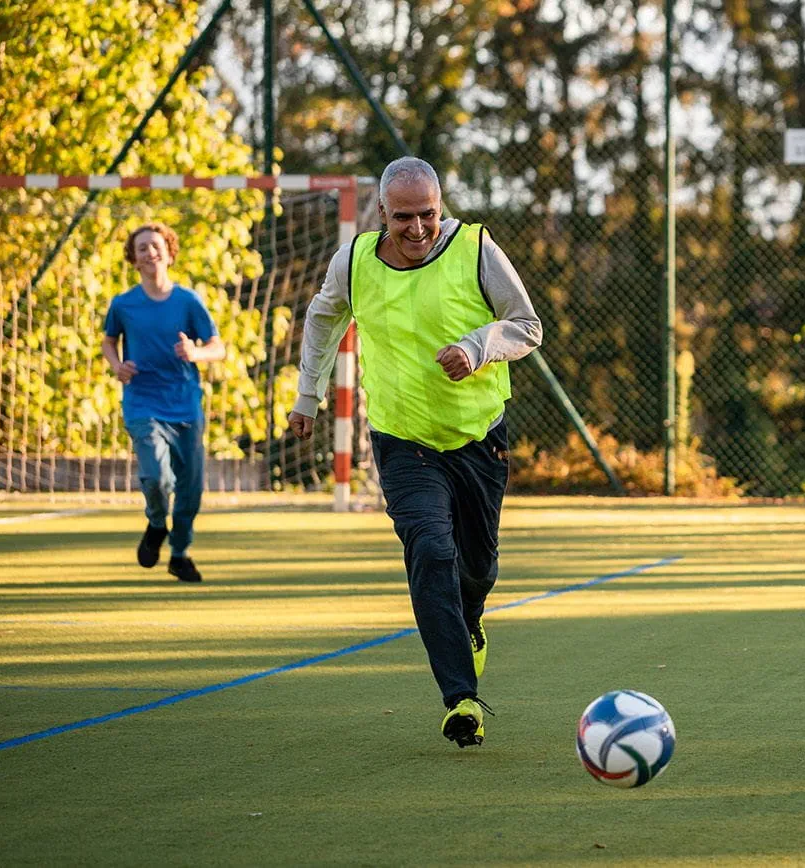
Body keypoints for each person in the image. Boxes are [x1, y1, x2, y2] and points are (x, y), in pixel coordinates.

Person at [289, 156, 542, 748]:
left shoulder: (475, 247)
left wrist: (480, 347)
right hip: (403, 442)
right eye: (404, 217)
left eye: (428, 213)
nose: (418, 228)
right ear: (382, 213)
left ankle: (471, 622)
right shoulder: (354, 262)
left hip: (479, 438)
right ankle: (461, 700)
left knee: (477, 569)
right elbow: (323, 318)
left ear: (440, 205)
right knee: (430, 549)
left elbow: (526, 324)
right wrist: (309, 393)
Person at [101, 221, 227, 584]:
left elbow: (217, 347)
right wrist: (116, 365)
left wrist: (195, 352)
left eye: (156, 245)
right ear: (134, 259)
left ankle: (179, 553)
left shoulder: (188, 301)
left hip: (185, 405)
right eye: (142, 248)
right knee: (156, 476)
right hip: (143, 401)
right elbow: (109, 342)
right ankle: (157, 523)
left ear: (169, 253)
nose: (150, 252)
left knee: (190, 488)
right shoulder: (123, 305)